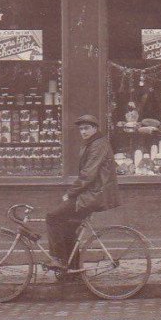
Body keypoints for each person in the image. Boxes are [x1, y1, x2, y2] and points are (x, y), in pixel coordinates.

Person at [45, 114, 120, 280]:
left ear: (95, 128)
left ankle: (58, 259)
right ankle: (73, 272)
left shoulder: (98, 144)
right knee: (68, 228)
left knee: (52, 217)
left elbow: (88, 175)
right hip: (91, 193)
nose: (83, 132)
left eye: (87, 128)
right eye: (81, 129)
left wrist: (70, 193)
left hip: (94, 195)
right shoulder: (93, 143)